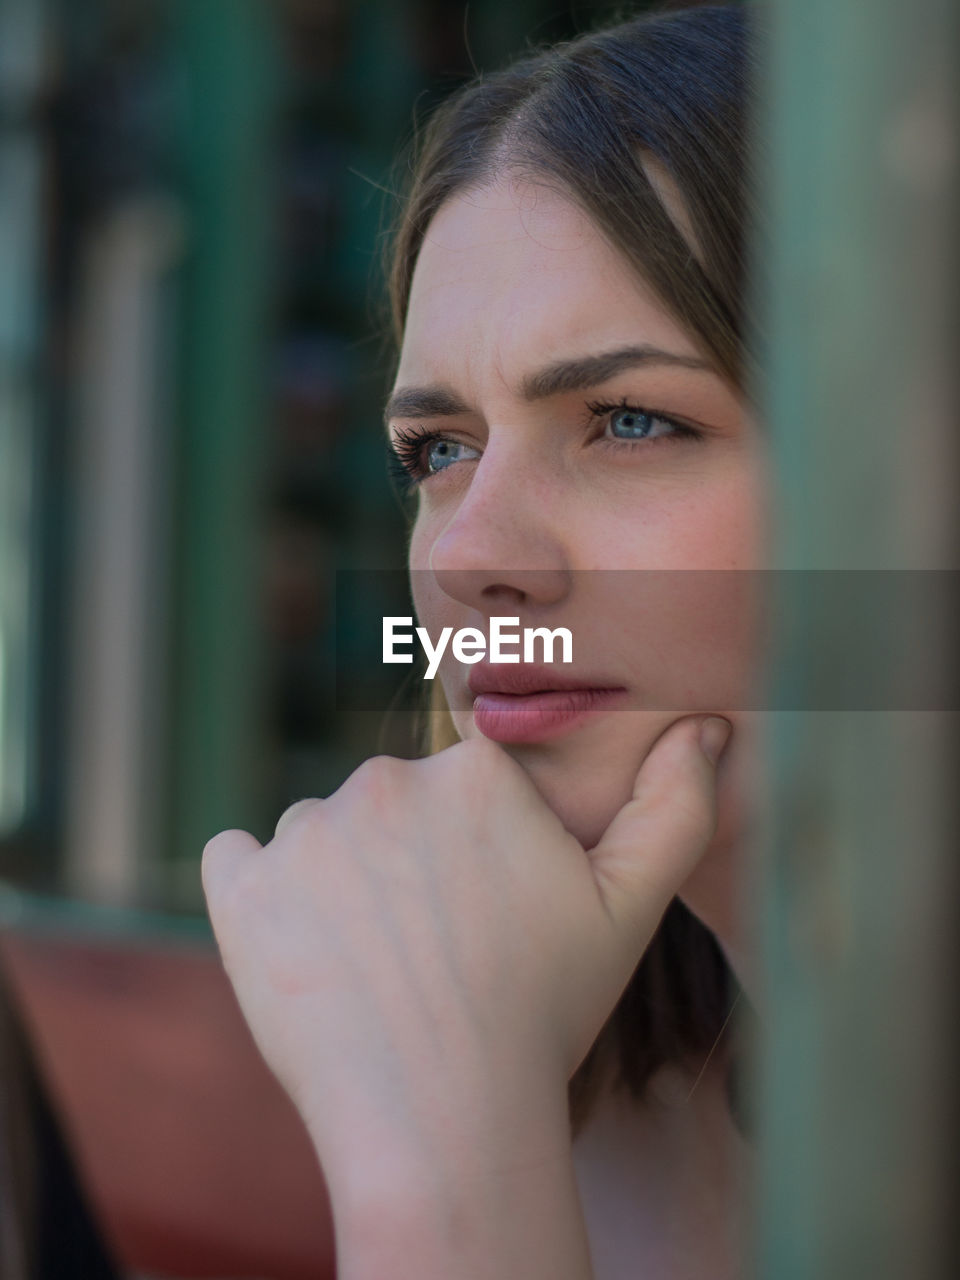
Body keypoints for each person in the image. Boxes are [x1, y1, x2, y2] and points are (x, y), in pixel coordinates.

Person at [202, 4, 768, 1276]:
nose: (465, 557)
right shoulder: (577, 1054)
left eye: (627, 420)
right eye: (440, 451)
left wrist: (445, 1169)